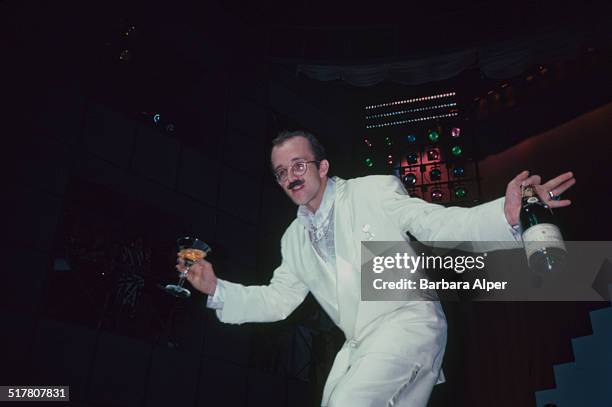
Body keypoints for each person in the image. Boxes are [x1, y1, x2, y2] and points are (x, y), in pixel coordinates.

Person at [177, 130, 575, 406]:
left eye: (298, 165)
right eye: (281, 172)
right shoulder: (293, 240)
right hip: (362, 348)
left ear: (323, 167)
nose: (290, 177)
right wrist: (217, 289)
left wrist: (504, 216)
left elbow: (434, 223)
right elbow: (279, 300)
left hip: (408, 324)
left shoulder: (372, 191)